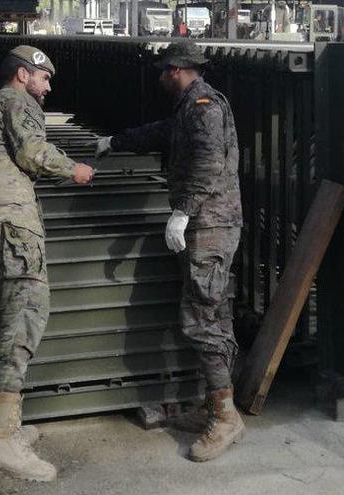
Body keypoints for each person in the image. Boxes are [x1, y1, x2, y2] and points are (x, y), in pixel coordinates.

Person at [94, 40, 243, 462]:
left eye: (163, 70)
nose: (160, 76)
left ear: (177, 69)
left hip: (210, 224)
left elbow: (209, 164)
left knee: (202, 320)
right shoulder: (187, 108)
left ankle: (226, 417)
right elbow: (161, 132)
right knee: (213, 314)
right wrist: (116, 142)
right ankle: (217, 403)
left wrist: (182, 212)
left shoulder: (203, 107)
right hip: (206, 223)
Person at [0, 45, 94, 481]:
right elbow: (32, 151)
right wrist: (73, 168)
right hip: (10, 221)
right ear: (23, 74)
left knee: (8, 317)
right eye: (44, 78)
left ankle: (8, 426)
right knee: (25, 316)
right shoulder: (15, 100)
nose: (48, 88)